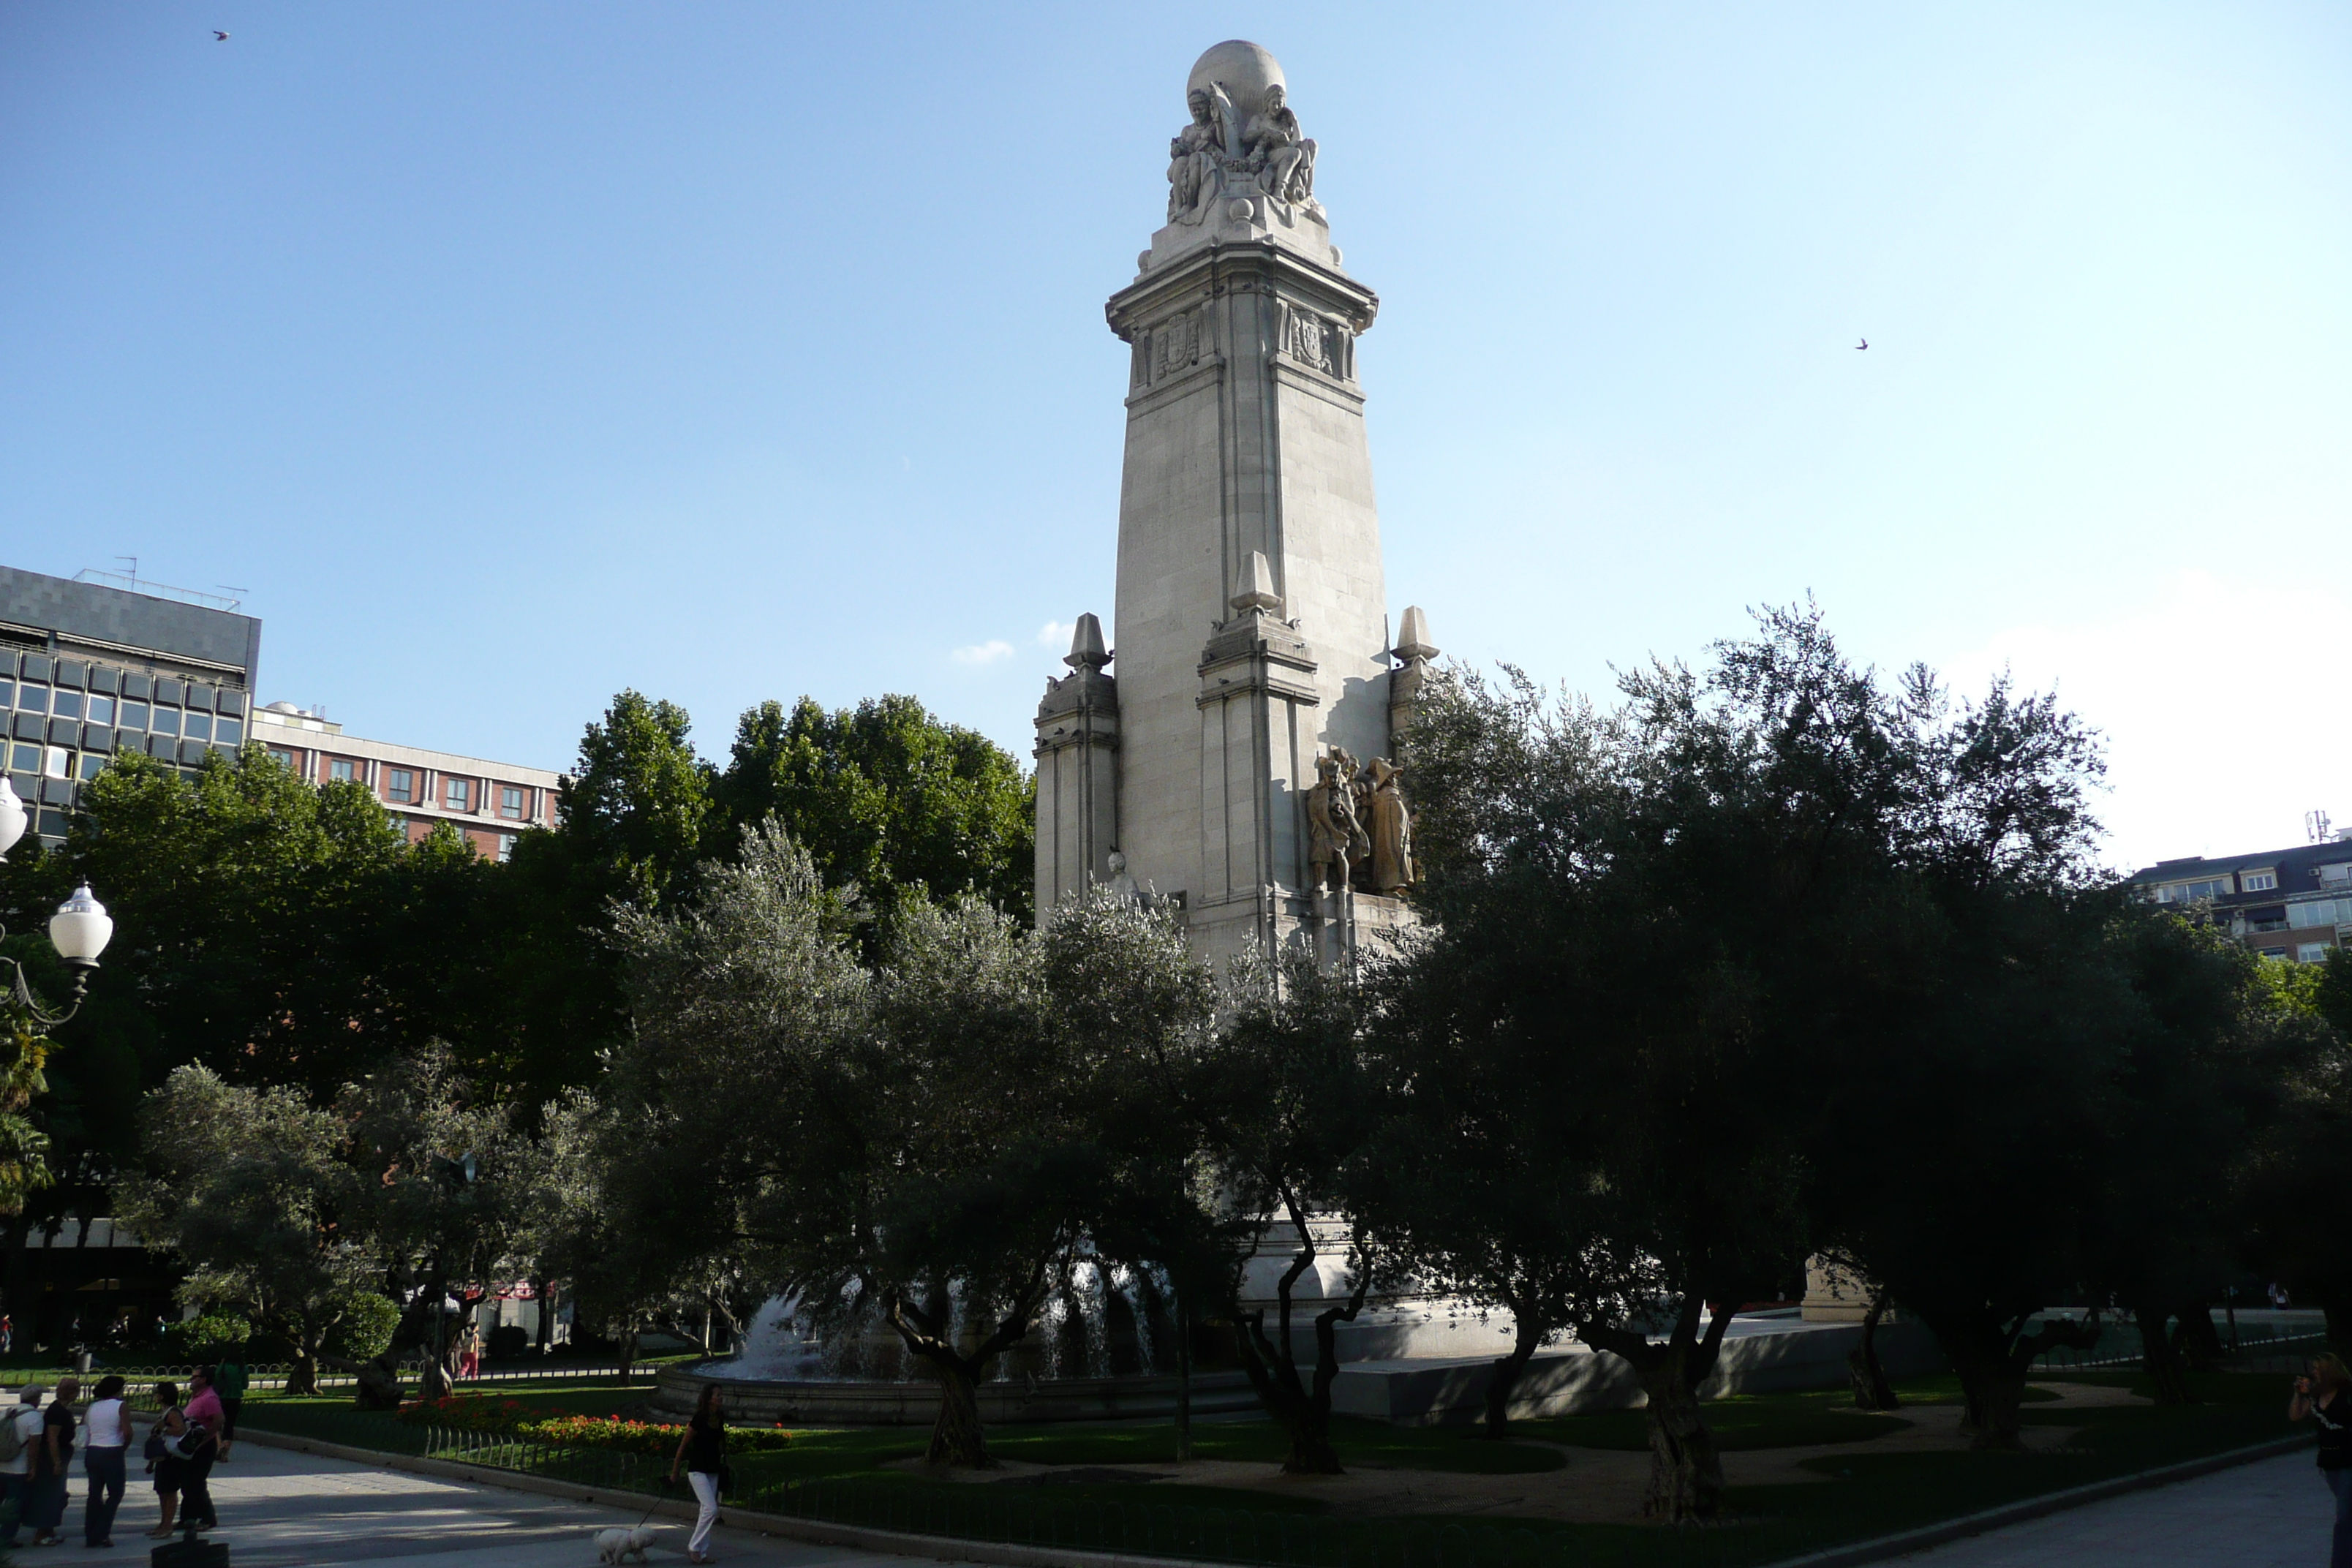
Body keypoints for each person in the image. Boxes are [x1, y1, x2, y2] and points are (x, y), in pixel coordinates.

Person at [2293, 1352, 2352, 1568]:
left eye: (2318, 1368)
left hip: (2348, 1458)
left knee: (2344, 1516)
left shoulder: (2346, 1393)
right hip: (2329, 1460)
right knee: (2347, 1510)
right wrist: (2298, 1395)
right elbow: (2295, 1416)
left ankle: (2341, 1563)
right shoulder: (2316, 1395)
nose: (2313, 1372)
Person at [667, 1384, 727, 1564]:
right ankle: (694, 1547)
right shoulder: (699, 1419)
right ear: (709, 1399)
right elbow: (683, 1446)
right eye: (717, 1395)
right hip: (697, 1469)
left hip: (713, 1469)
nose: (721, 1398)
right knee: (711, 1509)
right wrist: (675, 1472)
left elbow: (720, 1443)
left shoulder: (719, 1417)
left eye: (721, 1395)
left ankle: (702, 1552)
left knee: (705, 1511)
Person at [26, 1373, 79, 1548]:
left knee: (58, 1495)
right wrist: (56, 1462)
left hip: (60, 1453)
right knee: (50, 1495)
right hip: (52, 1457)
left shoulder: (60, 1409)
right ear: (71, 1393)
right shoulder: (57, 1411)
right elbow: (52, 1438)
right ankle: (42, 1533)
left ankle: (49, 1531)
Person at [81, 1373, 127, 1548]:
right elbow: (127, 1431)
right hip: (112, 1450)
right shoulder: (120, 1406)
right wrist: (124, 1445)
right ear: (117, 1390)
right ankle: (101, 1532)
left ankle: (90, 1531)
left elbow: (83, 1427)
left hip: (93, 1451)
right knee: (115, 1494)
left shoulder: (92, 1407)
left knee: (94, 1494)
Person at [1, 1383, 47, 1548]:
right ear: (35, 1399)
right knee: (14, 1504)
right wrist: (33, 1467)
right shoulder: (35, 1417)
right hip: (18, 1468)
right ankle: (6, 1538)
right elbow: (34, 1447)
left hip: (1, 1465)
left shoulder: (6, 1412)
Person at [176, 1368, 221, 1533]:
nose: (191, 1379)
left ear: (204, 1379)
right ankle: (188, 1518)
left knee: (196, 1483)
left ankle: (208, 1518)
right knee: (188, 1483)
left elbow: (219, 1420)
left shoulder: (209, 1398)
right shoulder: (198, 1397)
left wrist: (206, 1438)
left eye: (195, 1377)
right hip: (192, 1445)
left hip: (203, 1446)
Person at [145, 1381, 187, 1539]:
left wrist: (164, 1427)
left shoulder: (173, 1413)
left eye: (156, 1393)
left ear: (162, 1396)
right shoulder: (165, 1412)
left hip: (172, 1458)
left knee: (169, 1492)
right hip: (163, 1458)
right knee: (162, 1492)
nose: (154, 1396)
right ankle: (163, 1524)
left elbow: (180, 1430)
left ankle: (167, 1525)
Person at [212, 1354, 247, 1461]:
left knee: (217, 1424)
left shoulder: (222, 1366)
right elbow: (245, 1385)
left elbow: (217, 1380)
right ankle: (226, 1453)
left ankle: (219, 1445)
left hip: (222, 1398)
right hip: (235, 1398)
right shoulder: (243, 1367)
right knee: (229, 1425)